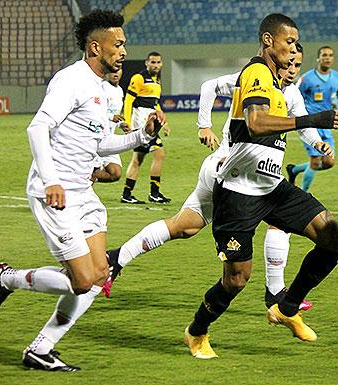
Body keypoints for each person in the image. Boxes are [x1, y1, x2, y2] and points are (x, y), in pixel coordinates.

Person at [0, 9, 165, 372]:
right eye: (118, 44)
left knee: (99, 277)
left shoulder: (106, 90)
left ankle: (41, 348)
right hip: (56, 193)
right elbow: (37, 129)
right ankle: (6, 278)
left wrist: (143, 136)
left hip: (83, 192)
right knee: (81, 281)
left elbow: (101, 141)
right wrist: (51, 180)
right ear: (96, 46)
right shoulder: (71, 80)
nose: (124, 50)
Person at [103, 43, 322, 316]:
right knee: (280, 221)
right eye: (288, 62)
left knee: (185, 226)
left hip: (235, 170)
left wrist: (318, 144)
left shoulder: (291, 93)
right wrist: (203, 125)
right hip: (234, 172)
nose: (291, 69)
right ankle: (275, 293)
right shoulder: (253, 78)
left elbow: (303, 124)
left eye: (296, 64)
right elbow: (209, 87)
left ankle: (116, 258)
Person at [183, 13, 338, 359]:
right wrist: (313, 119)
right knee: (236, 280)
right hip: (238, 193)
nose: (292, 50)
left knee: (333, 236)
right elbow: (256, 124)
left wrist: (316, 139)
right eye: (289, 42)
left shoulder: (281, 85)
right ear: (269, 41)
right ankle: (197, 331)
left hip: (272, 187)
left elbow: (284, 125)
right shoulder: (256, 72)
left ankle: (286, 306)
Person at [286, 45, 338, 192]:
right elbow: (294, 95)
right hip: (310, 123)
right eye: (324, 55)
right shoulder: (307, 78)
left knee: (329, 162)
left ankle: (294, 170)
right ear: (318, 58)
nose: (327, 58)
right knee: (315, 161)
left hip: (326, 123)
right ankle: (303, 196)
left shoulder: (337, 77)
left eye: (330, 55)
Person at [121, 52, 172, 204]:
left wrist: (164, 123)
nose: (155, 65)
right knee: (157, 154)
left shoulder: (157, 82)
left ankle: (128, 194)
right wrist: (128, 122)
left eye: (158, 62)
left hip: (150, 121)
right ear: (146, 63)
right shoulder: (139, 78)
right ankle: (152, 193)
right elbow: (129, 100)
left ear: (161, 64)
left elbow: (155, 104)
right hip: (141, 122)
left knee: (141, 158)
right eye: (153, 62)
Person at [92, 68, 128, 184]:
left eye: (118, 71)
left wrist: (121, 124)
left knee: (115, 173)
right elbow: (95, 111)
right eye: (113, 71)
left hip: (109, 138)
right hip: (97, 137)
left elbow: (114, 113)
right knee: (92, 168)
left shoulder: (120, 91)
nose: (115, 73)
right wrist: (111, 117)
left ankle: (89, 179)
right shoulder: (101, 87)